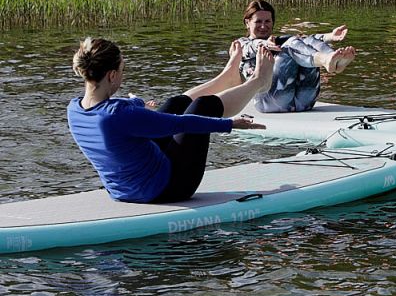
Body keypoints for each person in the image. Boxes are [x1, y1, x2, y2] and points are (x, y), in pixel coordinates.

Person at [67, 37, 271, 203]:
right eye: (122, 71)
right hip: (170, 188)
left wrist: (138, 104)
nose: (122, 76)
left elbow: (121, 110)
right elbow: (180, 124)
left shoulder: (74, 109)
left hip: (123, 191)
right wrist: (230, 124)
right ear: (111, 75)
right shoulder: (118, 115)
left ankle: (226, 78)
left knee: (174, 103)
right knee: (203, 106)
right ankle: (259, 81)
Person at [223, 0, 358, 113]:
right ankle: (326, 60)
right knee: (290, 45)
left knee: (305, 42)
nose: (263, 26)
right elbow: (251, 47)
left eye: (267, 21)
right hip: (268, 102)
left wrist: (330, 36)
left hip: (305, 102)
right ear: (247, 23)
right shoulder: (240, 45)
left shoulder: (281, 40)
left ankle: (333, 61)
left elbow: (308, 39)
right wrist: (264, 44)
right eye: (258, 22)